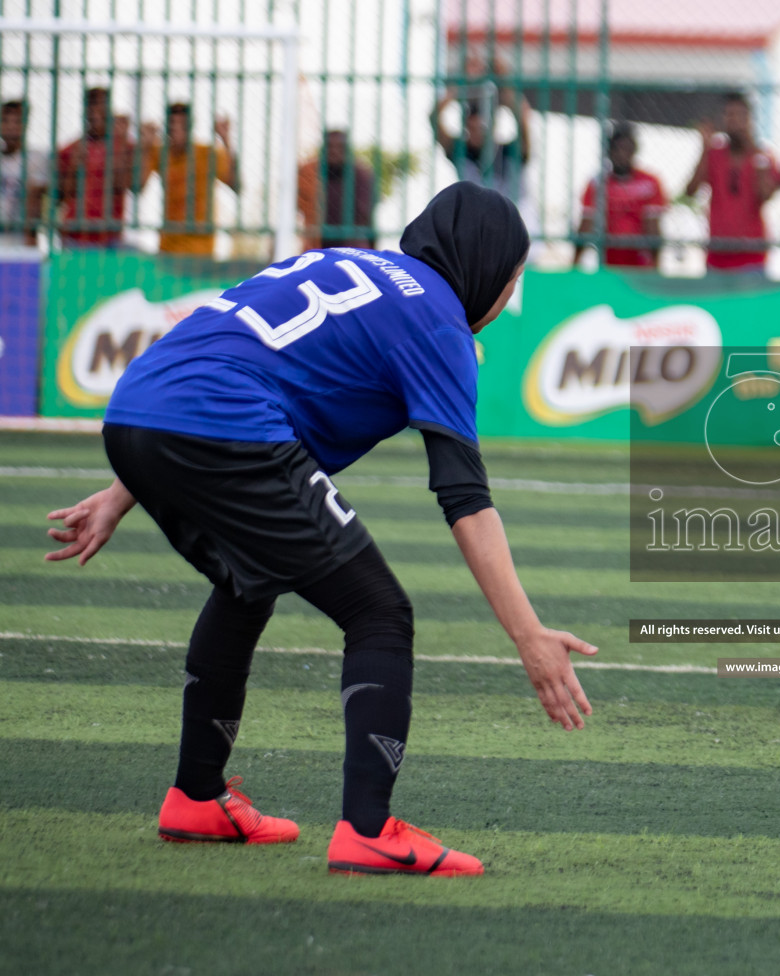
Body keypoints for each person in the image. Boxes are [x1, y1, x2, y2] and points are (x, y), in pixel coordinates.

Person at [43, 182, 596, 877]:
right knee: (379, 612)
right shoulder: (438, 320)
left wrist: (126, 487)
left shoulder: (351, 261)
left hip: (137, 408)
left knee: (247, 582)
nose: (508, 297)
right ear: (484, 265)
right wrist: (530, 637)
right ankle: (369, 829)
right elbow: (465, 498)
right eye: (512, 279)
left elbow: (237, 351)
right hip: (219, 421)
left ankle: (196, 797)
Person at [685, 92, 780, 272]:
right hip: (717, 256)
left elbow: (766, 195)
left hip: (751, 258)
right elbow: (691, 191)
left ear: (749, 119)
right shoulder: (714, 153)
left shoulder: (763, 156)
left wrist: (756, 158)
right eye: (729, 115)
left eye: (739, 115)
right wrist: (704, 149)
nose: (734, 120)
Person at [137, 102, 241, 257]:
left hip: (201, 248)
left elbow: (235, 185)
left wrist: (225, 139)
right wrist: (145, 147)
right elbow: (138, 186)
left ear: (190, 127)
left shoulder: (206, 154)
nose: (177, 130)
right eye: (173, 125)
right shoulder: (160, 153)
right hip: (168, 246)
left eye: (182, 125)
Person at [572, 122, 666, 269]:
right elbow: (586, 225)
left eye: (627, 149)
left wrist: (656, 269)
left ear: (634, 150)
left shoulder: (649, 183)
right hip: (608, 259)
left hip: (640, 261)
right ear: (609, 152)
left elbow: (653, 228)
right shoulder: (597, 184)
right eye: (617, 149)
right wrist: (574, 265)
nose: (622, 154)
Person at [55, 86, 138, 247]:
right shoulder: (70, 150)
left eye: (101, 105)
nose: (96, 112)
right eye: (92, 105)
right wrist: (74, 167)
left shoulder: (126, 147)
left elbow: (125, 186)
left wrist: (119, 146)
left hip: (110, 235)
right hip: (75, 235)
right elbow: (61, 196)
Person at [432, 83, 531, 199]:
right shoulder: (462, 152)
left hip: (515, 212)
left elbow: (523, 116)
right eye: (471, 128)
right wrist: (460, 86)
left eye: (481, 128)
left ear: (492, 127)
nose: (476, 133)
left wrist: (504, 81)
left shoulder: (510, 152)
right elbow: (434, 119)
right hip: (478, 215)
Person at [297, 129, 376, 251]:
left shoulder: (361, 175)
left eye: (340, 147)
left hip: (352, 243)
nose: (334, 151)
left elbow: (366, 215)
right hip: (317, 242)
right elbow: (300, 204)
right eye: (330, 147)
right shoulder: (309, 172)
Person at [0, 99, 48, 248]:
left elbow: (35, 202)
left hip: (19, 238)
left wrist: (30, 237)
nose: (11, 127)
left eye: (17, 121)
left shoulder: (35, 159)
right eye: (6, 121)